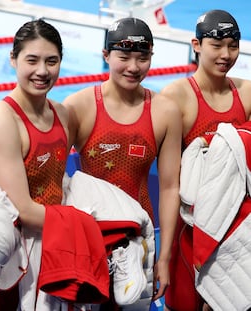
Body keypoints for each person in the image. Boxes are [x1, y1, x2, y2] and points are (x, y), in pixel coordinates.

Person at [0, 19, 110, 310]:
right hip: (18, 259)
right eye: (32, 60)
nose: (42, 71)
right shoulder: (2, 119)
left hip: (57, 248)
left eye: (51, 61)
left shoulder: (63, 114)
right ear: (13, 59)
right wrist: (86, 228)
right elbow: (22, 210)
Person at [63, 17, 182, 309]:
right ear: (106, 56)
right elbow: (56, 180)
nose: (133, 67)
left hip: (139, 240)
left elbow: (169, 188)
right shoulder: (79, 106)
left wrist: (164, 257)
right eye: (124, 57)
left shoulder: (165, 111)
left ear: (152, 57)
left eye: (142, 58)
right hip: (91, 240)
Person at [160, 9, 251, 311]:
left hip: (235, 234)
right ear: (196, 45)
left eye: (233, 45)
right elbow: (171, 184)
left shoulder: (247, 94)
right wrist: (164, 255)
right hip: (190, 235)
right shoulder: (176, 97)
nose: (226, 54)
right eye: (217, 45)